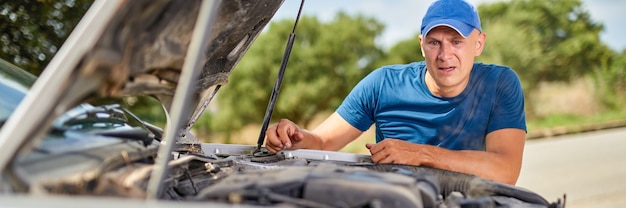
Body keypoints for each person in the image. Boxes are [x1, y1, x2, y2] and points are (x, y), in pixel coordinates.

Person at [264, 0, 526, 185]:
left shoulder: (500, 84)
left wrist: (421, 155)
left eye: (456, 42)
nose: (445, 55)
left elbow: (506, 170)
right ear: (422, 45)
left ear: (478, 43)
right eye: (434, 42)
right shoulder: (382, 84)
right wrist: (291, 137)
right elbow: (321, 142)